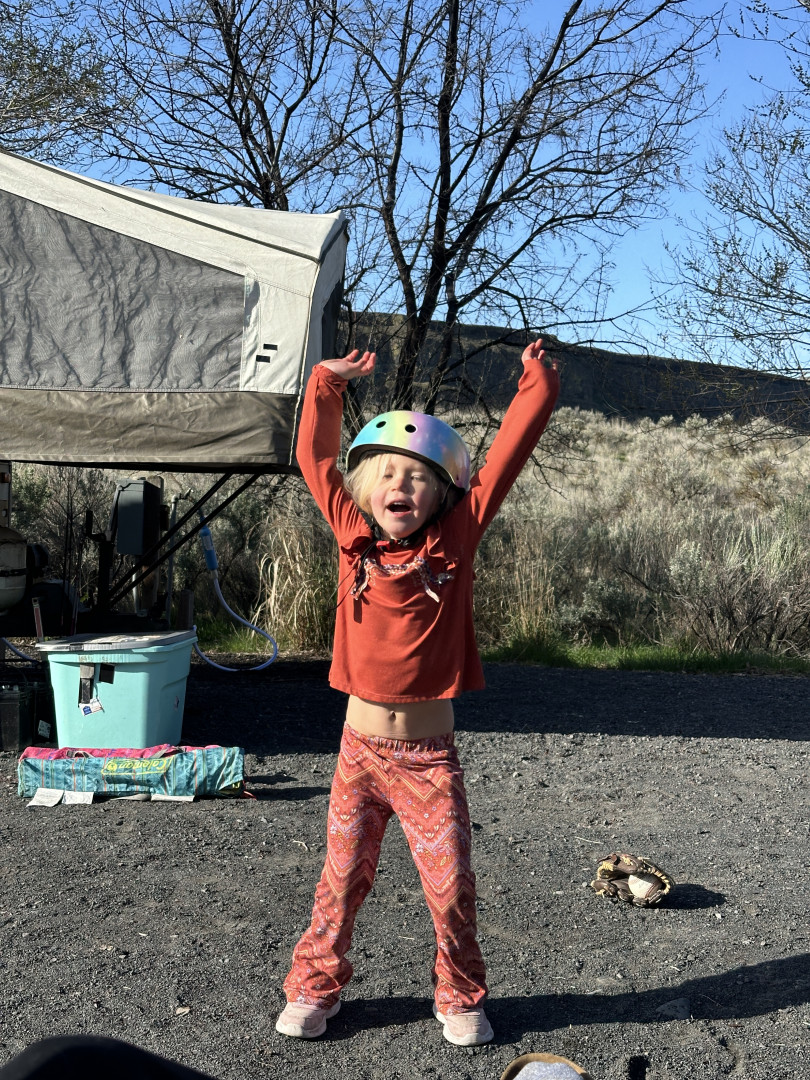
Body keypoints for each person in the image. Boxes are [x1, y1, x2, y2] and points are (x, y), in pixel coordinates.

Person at [276, 340, 559, 1046]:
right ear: (364, 487)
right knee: (341, 880)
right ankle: (314, 986)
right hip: (358, 753)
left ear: (443, 493)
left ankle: (459, 993)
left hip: (428, 757)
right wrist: (325, 384)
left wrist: (537, 386)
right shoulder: (352, 536)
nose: (400, 485)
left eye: (418, 477)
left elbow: (506, 459)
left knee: (450, 886)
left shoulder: (455, 538)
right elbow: (315, 457)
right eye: (386, 474)